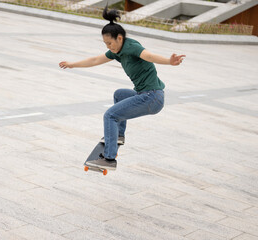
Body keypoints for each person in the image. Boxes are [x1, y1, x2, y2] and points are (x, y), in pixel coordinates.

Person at [59, 6, 185, 170]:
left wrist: (169, 61)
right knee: (119, 94)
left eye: (110, 43)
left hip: (151, 97)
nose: (108, 47)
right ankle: (118, 136)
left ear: (119, 38)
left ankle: (109, 159)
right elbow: (96, 60)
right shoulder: (117, 51)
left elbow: (148, 56)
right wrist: (72, 65)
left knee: (110, 115)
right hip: (146, 94)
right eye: (105, 44)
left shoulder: (131, 46)